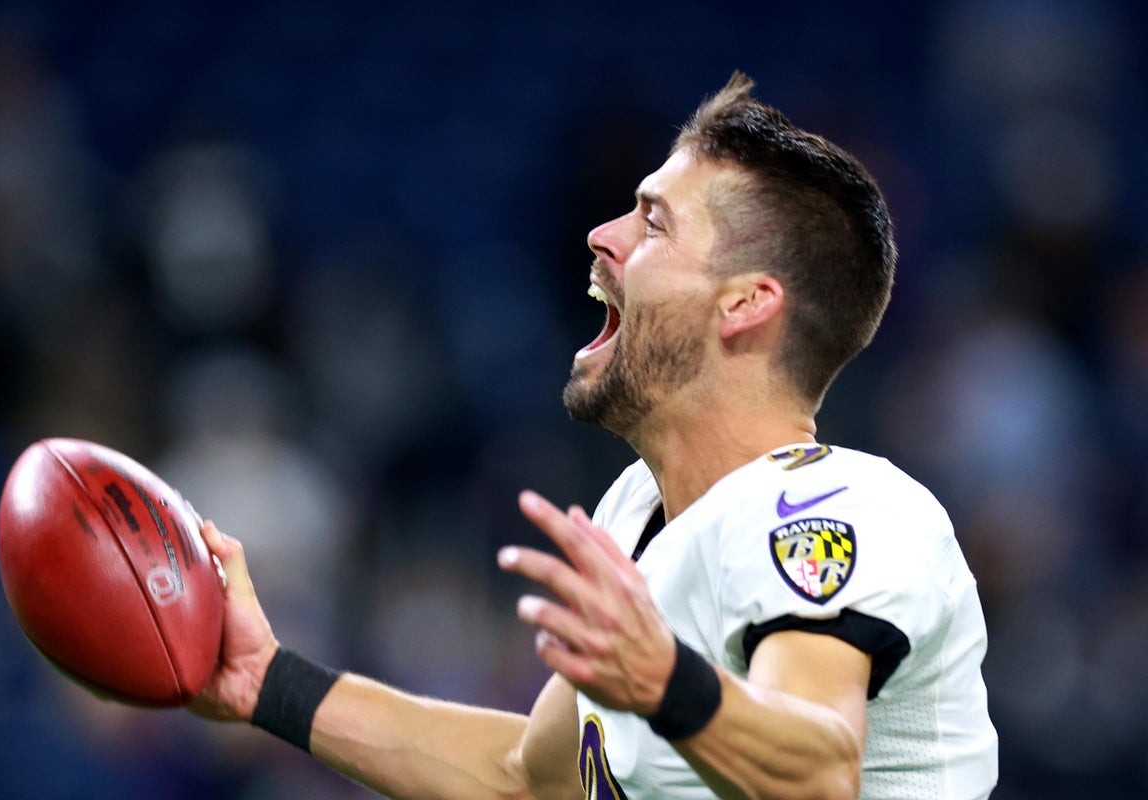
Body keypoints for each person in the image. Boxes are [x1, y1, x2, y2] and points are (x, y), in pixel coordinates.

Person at [188, 72, 999, 800]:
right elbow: (524, 780)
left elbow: (821, 774)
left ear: (745, 303)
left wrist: (665, 682)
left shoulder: (836, 505)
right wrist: (270, 685)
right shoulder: (639, 510)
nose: (602, 235)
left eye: (653, 223)